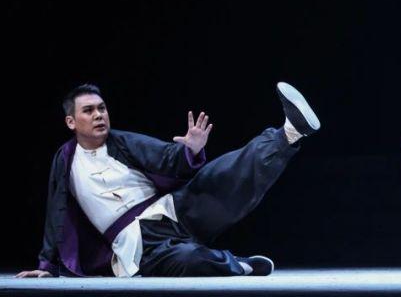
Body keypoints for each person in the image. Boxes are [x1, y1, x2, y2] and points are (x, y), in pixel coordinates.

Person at [16, 81, 320, 278]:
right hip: (139, 242)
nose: (99, 115)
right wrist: (46, 264)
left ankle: (289, 132)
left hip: (173, 210)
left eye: (102, 108)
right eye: (89, 110)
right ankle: (238, 264)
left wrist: (190, 150)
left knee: (225, 174)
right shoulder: (65, 160)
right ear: (71, 121)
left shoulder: (121, 142)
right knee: (188, 259)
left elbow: (164, 157)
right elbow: (56, 213)